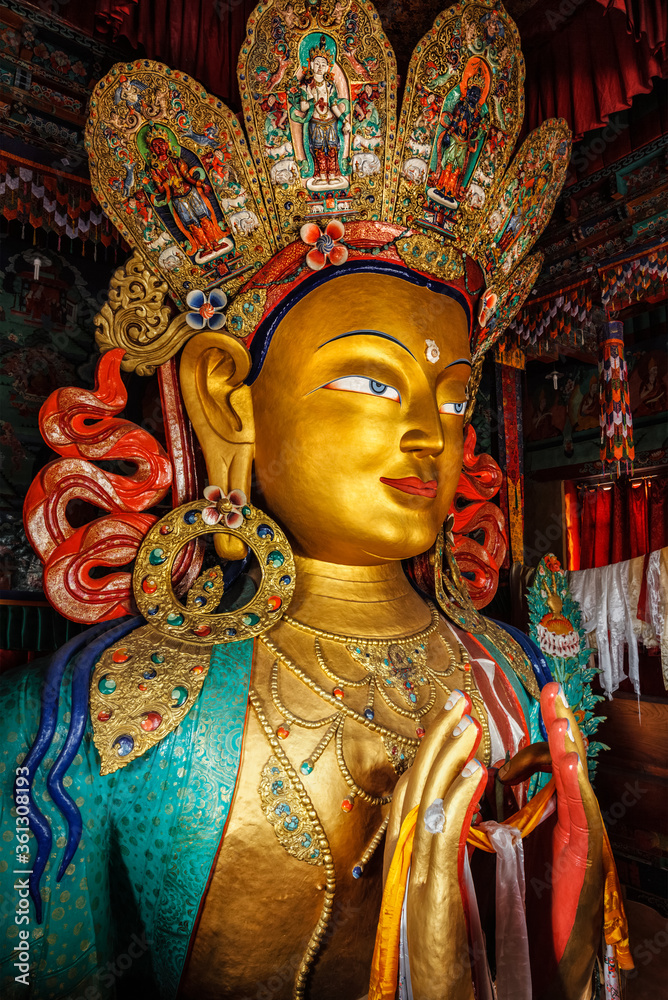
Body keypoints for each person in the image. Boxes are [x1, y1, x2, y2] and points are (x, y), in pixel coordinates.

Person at [1, 2, 628, 999]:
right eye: (371, 381)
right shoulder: (107, 710)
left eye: (453, 392)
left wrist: (557, 958)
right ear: (226, 396)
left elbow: (577, 952)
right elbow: (31, 971)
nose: (430, 429)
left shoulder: (512, 671)